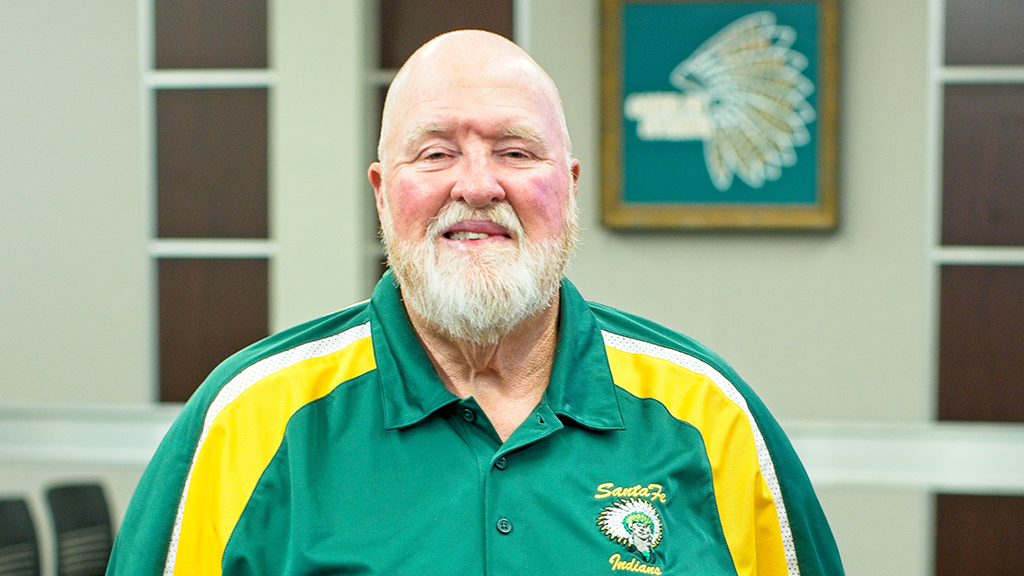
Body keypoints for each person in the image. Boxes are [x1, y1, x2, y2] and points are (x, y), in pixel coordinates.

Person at [107, 30, 844, 576]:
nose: (478, 185)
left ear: (570, 185)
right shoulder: (246, 422)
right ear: (381, 192)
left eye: (516, 152)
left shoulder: (709, 418)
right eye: (435, 153)